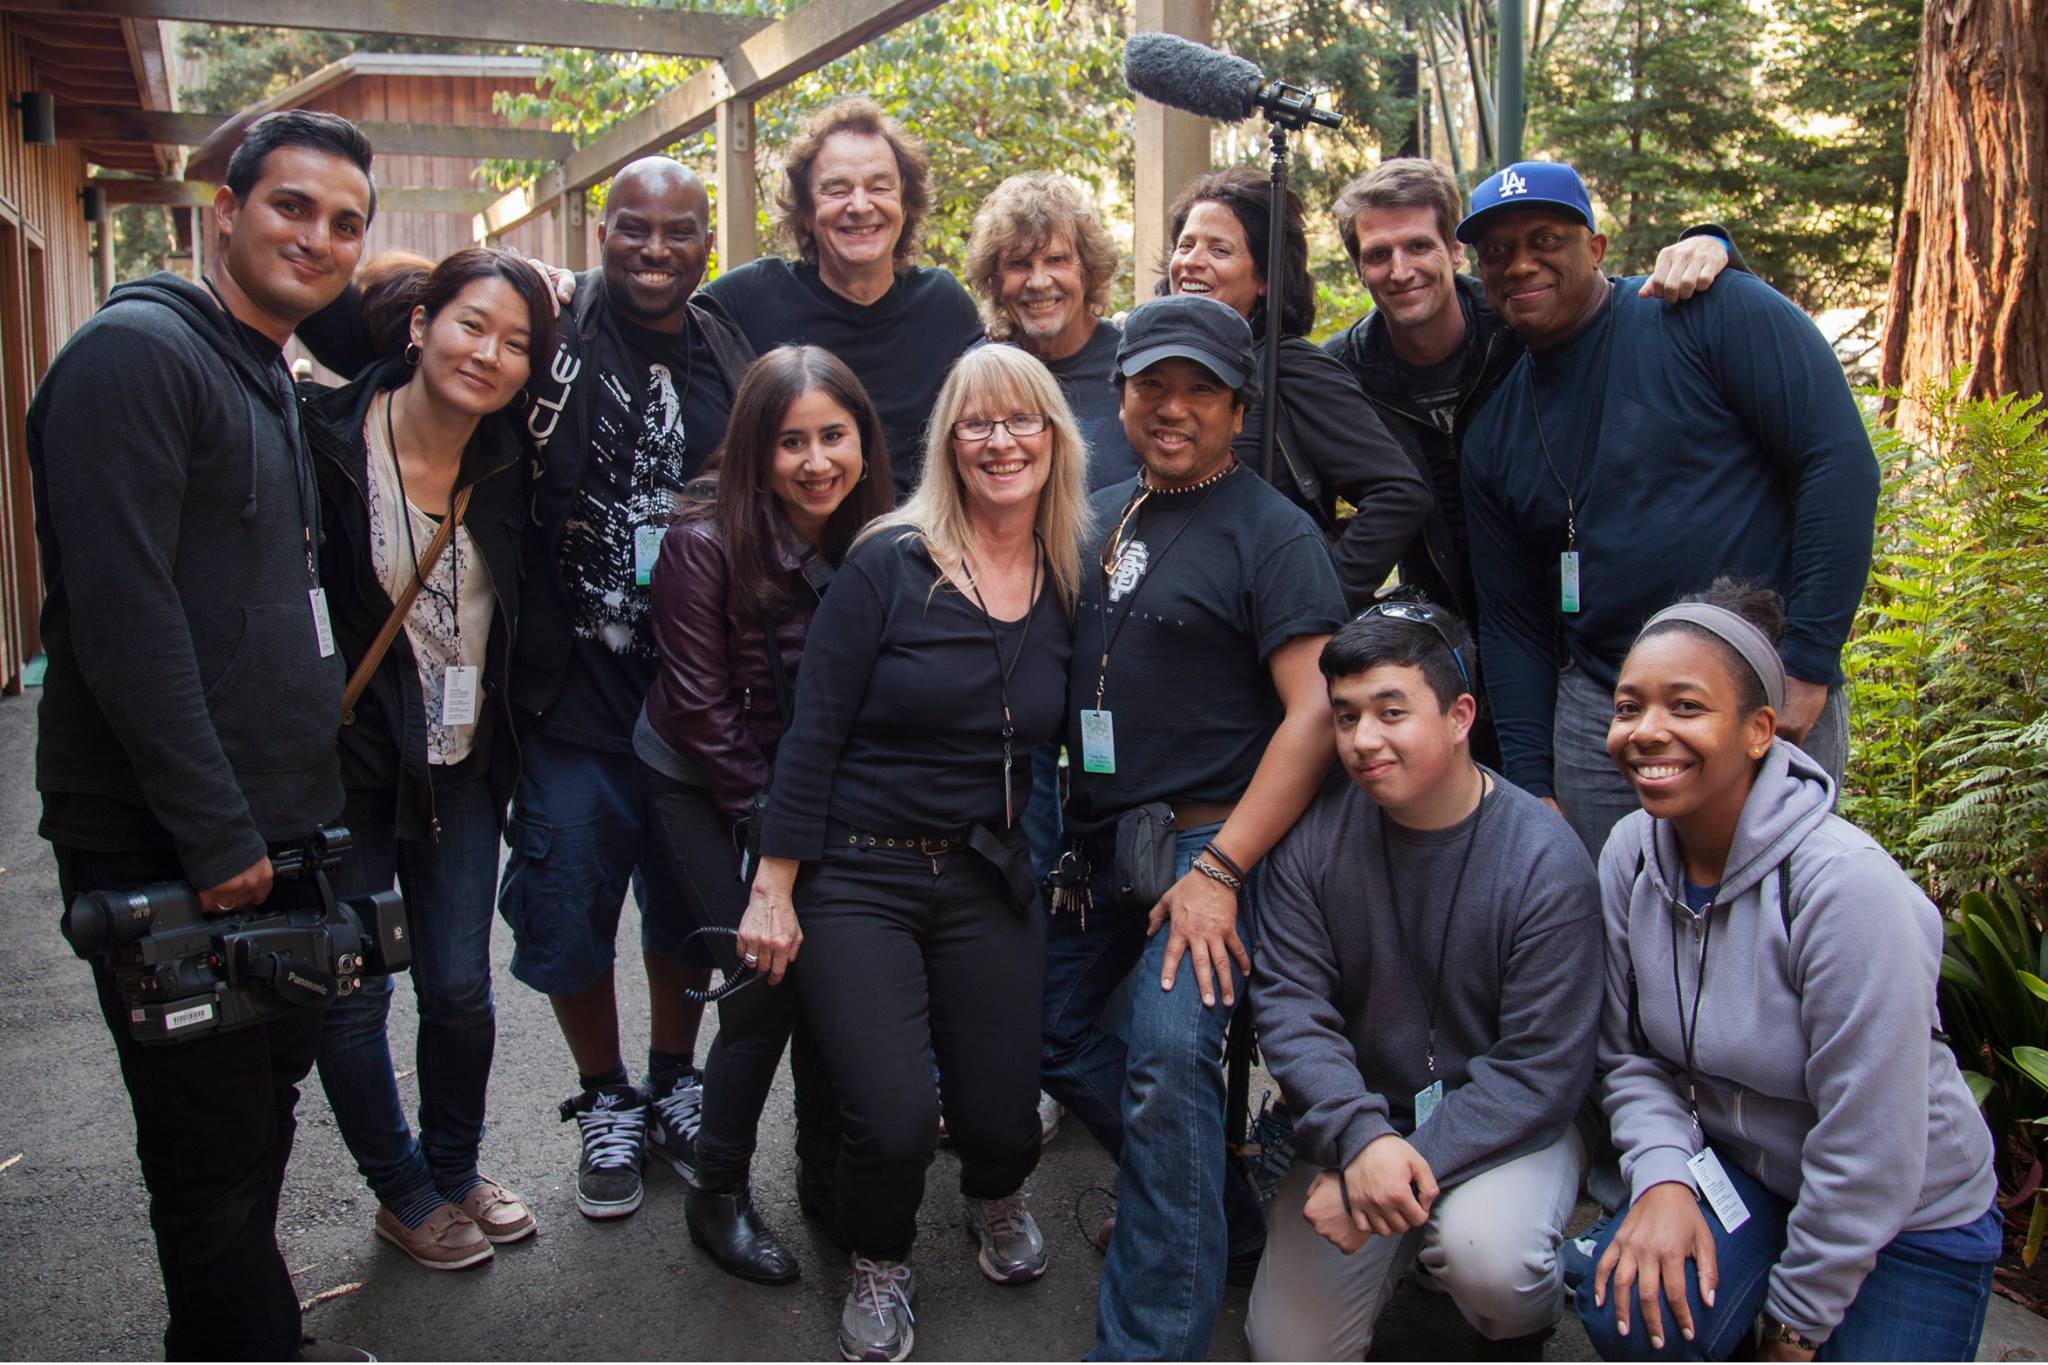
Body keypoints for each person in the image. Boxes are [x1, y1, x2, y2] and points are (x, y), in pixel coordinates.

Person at [303, 156, 756, 1222]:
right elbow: (358, 327)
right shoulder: (548, 331)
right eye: (631, 226)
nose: (654, 248)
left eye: (678, 231)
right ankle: (603, 1095)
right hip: (566, 703)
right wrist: (498, 298)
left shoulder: (729, 353)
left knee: (684, 906)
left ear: (706, 244)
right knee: (566, 907)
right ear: (599, 232)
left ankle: (671, 1080)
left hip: (691, 702)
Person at [27, 110, 375, 1361]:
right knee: (209, 1157)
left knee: (258, 1118)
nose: (317, 238)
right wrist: (219, 833)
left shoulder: (262, 371)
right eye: (290, 206)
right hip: (174, 846)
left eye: (344, 222)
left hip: (271, 835)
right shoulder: (138, 358)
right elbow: (122, 621)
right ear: (222, 210)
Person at [744, 344, 1090, 1361]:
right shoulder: (887, 562)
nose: (1000, 441)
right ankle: (879, 1259)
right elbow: (811, 735)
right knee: (892, 1119)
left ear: (1052, 436)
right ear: (947, 439)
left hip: (989, 872)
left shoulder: (1072, 572)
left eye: (1020, 420)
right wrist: (775, 888)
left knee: (999, 1114)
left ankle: (994, 1196)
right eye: (976, 422)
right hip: (860, 872)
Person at [1576, 579, 1998, 1361]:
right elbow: (1626, 1054)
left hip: (1907, 1215)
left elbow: (1871, 1148)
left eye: (1686, 706)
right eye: (1629, 706)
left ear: (1759, 730)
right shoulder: (1630, 853)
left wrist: (1794, 1325)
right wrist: (1664, 1176)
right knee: (1630, 1306)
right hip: (1753, 1181)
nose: (1645, 730)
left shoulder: (1845, 888)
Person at [1040, 294, 1348, 1360]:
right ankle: (1206, 1204)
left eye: (1198, 392)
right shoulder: (1095, 510)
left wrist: (1219, 869)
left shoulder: (1274, 533)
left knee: (1169, 1062)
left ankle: (1148, 1339)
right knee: (1047, 1033)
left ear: (1234, 405)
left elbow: (1315, 713)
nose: (1171, 410)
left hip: (1207, 845)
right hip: (1090, 844)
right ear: (1120, 394)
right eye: (1150, 386)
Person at [1458, 160, 1877, 858]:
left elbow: (1837, 466)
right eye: (1497, 253)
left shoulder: (1708, 314)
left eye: (1544, 240)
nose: (1520, 264)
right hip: (1603, 710)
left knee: (1773, 906)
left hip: (1754, 684)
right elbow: (1513, 622)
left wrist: (1807, 666)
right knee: (1618, 929)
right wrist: (1533, 781)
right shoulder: (1493, 434)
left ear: (1594, 248)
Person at [1247, 599, 1601, 1359]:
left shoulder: (1544, 859)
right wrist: (1362, 1139)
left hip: (1507, 1128)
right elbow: (1291, 1008)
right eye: (1345, 717)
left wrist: (1390, 1173)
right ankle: (1407, 1235)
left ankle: (1515, 1322)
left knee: (1491, 1261)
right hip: (1359, 1119)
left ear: (1459, 713)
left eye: (1390, 711)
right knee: (1285, 1350)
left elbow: (1543, 1070)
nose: (1363, 740)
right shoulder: (1312, 838)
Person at [300, 247, 556, 1271]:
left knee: (458, 987)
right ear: (419, 324)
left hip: (460, 767)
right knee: (354, 990)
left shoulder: (515, 463)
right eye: (470, 324)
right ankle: (401, 1189)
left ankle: (453, 1169)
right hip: (346, 771)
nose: (487, 354)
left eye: (516, 341)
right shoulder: (319, 444)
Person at [636, 345, 893, 1283]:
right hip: (707, 778)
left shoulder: (878, 532)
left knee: (829, 968)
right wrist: (772, 846)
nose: (817, 461)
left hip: (805, 780)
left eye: (834, 436)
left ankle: (825, 1175)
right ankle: (717, 1191)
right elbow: (702, 710)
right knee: (764, 978)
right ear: (756, 448)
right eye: (792, 442)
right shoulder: (703, 541)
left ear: (864, 439)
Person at [1319, 157, 1739, 626]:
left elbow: (1609, 308)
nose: (1400, 271)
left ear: (1456, 252)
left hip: (1571, 615)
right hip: (1437, 627)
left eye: (1419, 246)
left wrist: (1711, 243)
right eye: (1378, 254)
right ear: (1358, 267)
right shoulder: (1339, 375)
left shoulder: (1522, 324)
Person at [1163, 166, 1431, 611]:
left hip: (1262, 647)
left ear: (1264, 277)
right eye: (1185, 245)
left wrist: (1314, 602)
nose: (1192, 261)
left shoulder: (1289, 368)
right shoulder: (1155, 373)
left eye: (1219, 249)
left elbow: (1400, 496)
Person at [701, 97, 982, 498]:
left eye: (879, 187)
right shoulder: (750, 297)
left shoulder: (944, 306)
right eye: (836, 190)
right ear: (804, 211)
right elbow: (652, 321)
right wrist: (580, 291)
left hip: (912, 550)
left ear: (905, 203)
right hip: (788, 552)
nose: (860, 206)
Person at [964, 171, 1138, 490]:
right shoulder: (978, 375)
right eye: (1019, 264)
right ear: (994, 280)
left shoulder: (1134, 366)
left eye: (1056, 259)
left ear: (1087, 270)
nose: (1039, 281)